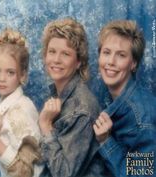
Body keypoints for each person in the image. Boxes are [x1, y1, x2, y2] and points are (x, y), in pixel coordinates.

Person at [38, 17, 110, 177]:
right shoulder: (57, 95)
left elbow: (64, 174)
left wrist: (45, 125)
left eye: (65, 54)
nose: (56, 60)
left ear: (78, 62)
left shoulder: (82, 110)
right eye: (52, 51)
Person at [93, 20, 156, 177]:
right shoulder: (111, 96)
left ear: (133, 63)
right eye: (106, 52)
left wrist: (106, 141)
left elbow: (143, 175)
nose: (111, 62)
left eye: (121, 55)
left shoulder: (141, 118)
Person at [0, 28, 43, 177]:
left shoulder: (19, 111)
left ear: (22, 74)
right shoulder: (4, 103)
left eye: (10, 72)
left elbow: (25, 172)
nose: (2, 78)